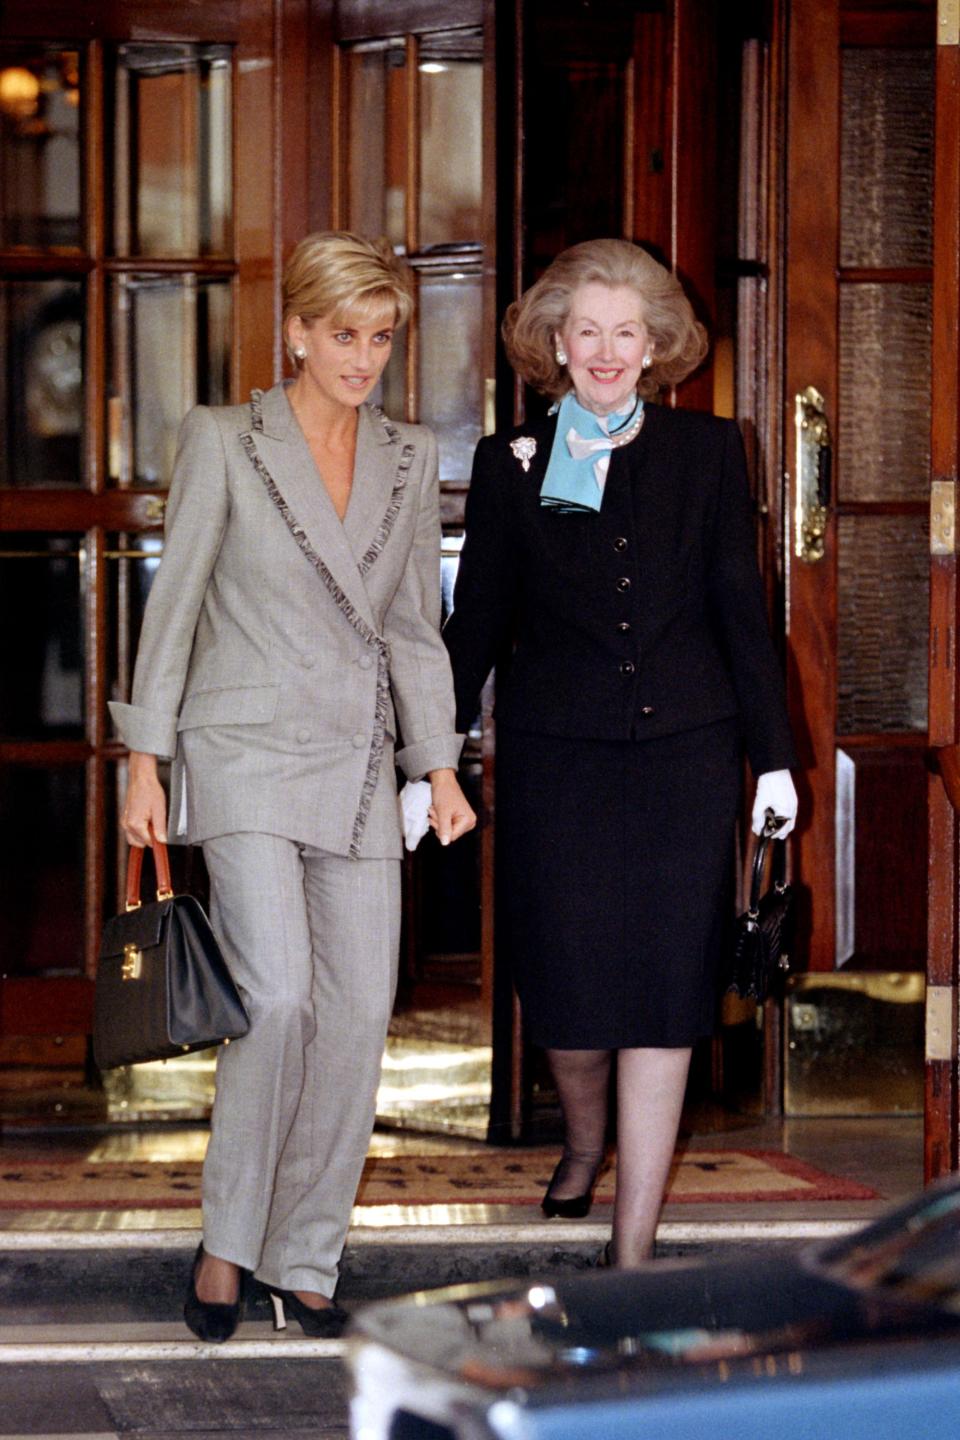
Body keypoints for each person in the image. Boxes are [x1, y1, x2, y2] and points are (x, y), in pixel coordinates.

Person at [111, 231, 475, 1340]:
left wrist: (439, 763)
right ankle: (229, 1247)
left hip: (361, 766)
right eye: (345, 336)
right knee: (276, 999)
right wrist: (144, 755)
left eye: (380, 339)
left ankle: (304, 1256)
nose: (363, 359)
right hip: (244, 753)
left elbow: (415, 628)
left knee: (359, 1015)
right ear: (299, 334)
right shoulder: (227, 441)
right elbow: (175, 610)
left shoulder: (410, 459)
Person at [442, 238, 798, 1268]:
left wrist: (773, 761)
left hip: (686, 760)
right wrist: (432, 755)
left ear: (653, 348)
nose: (605, 350)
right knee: (569, 1000)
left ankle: (631, 1245)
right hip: (561, 765)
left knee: (665, 995)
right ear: (557, 344)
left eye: (624, 333)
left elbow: (742, 613)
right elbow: (479, 624)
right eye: (585, 331)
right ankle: (584, 1133)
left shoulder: (707, 451)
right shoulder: (515, 461)